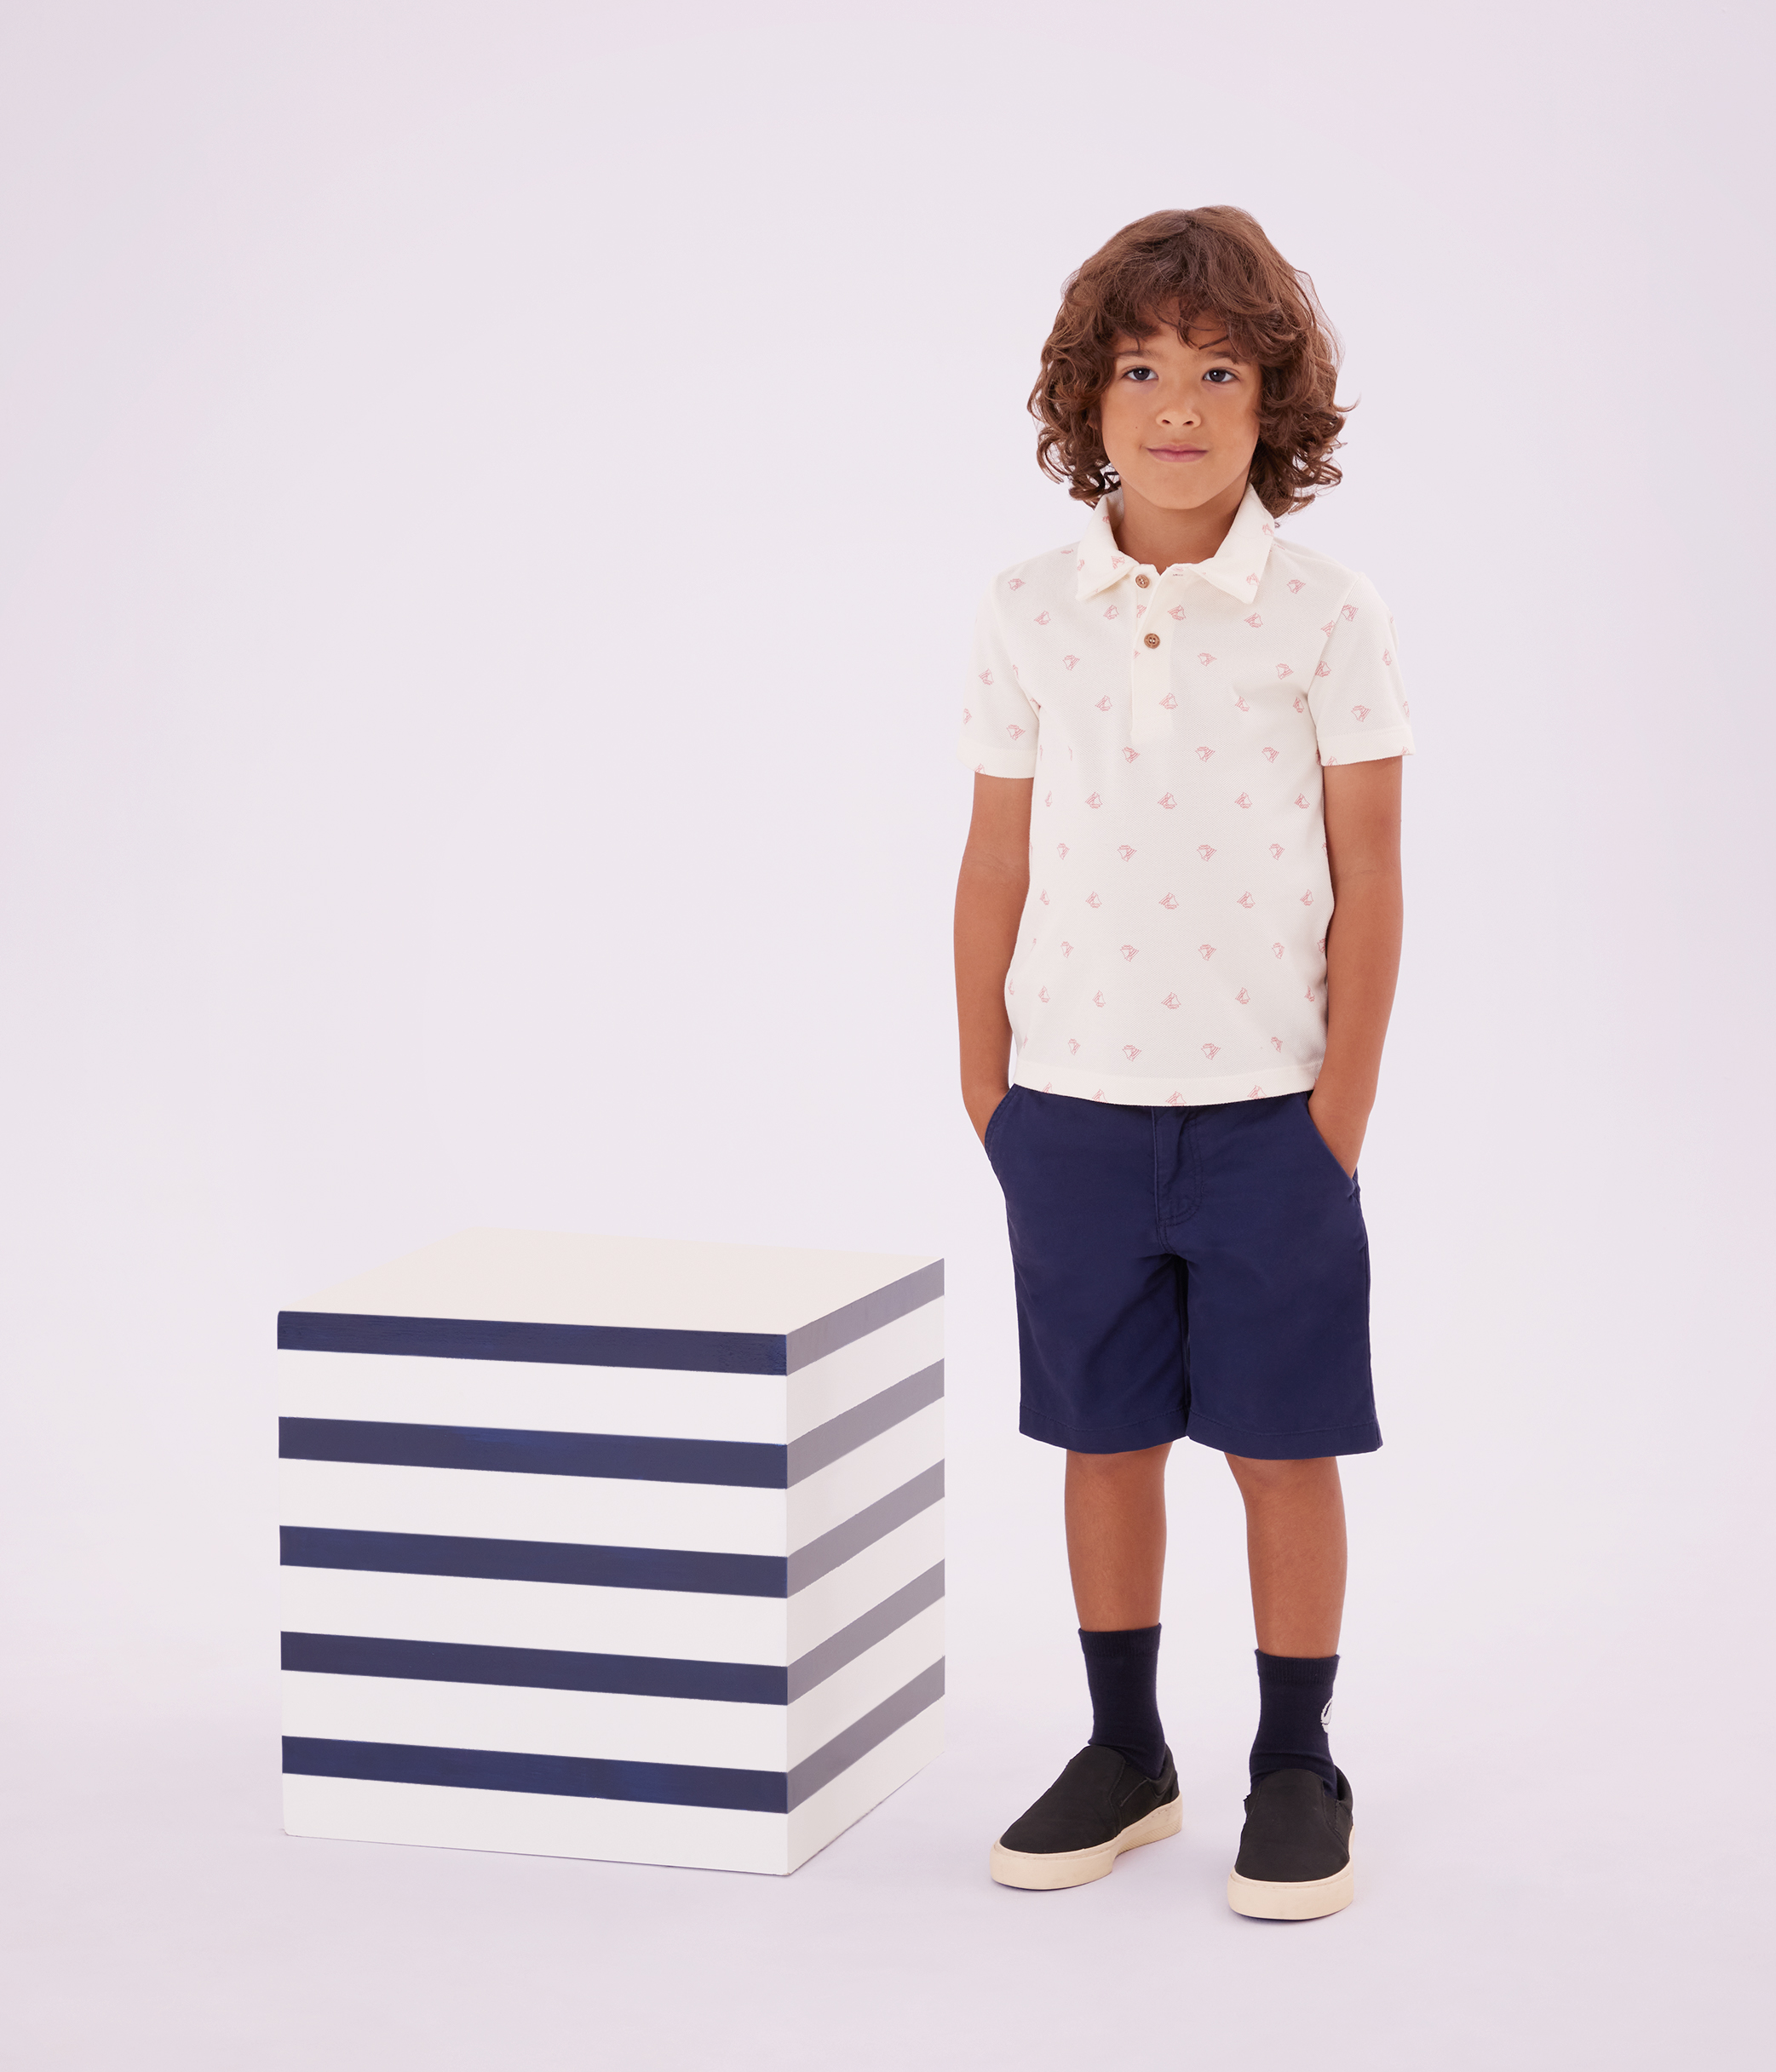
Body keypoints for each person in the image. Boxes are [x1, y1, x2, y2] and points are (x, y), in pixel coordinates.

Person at [953, 207, 1411, 1920]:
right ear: (1088, 397)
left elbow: (1369, 870)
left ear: (1270, 404)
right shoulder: (1025, 609)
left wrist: (1333, 1115)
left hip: (1266, 1118)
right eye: (1140, 368)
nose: (1175, 406)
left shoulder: (1323, 611)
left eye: (1219, 373)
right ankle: (1124, 1748)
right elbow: (991, 859)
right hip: (1070, 1111)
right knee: (1104, 1441)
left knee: (1281, 1447)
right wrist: (989, 1092)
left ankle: (1293, 1759)